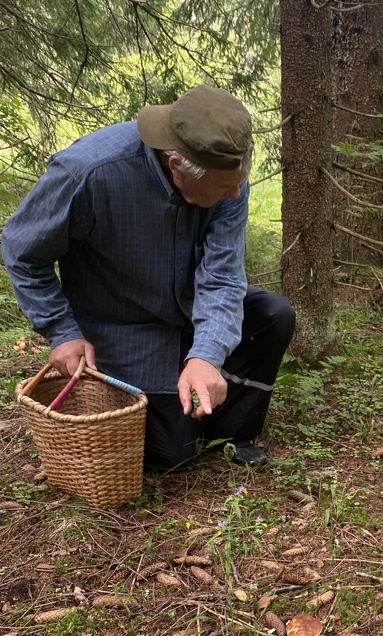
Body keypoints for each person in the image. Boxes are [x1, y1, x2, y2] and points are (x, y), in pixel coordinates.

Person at [1, 85, 295, 471]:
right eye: (225, 186)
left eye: (238, 181)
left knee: (273, 314)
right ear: (177, 168)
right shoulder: (89, 173)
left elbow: (221, 277)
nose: (236, 193)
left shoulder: (224, 175)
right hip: (123, 325)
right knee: (171, 456)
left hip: (188, 311)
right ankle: (185, 422)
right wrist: (61, 330)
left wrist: (206, 355)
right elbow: (22, 252)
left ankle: (229, 429)